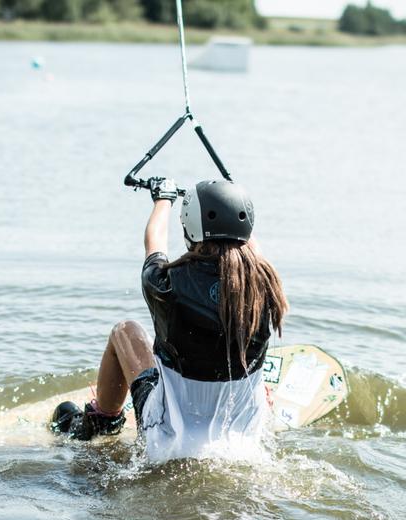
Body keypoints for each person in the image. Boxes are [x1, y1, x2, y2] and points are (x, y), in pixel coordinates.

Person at [53, 178, 288, 461]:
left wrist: (163, 199)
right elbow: (254, 251)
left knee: (125, 331)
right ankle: (261, 395)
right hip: (243, 440)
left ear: (190, 226)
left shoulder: (165, 284)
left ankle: (101, 421)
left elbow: (154, 244)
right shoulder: (267, 285)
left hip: (166, 439)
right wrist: (232, 209)